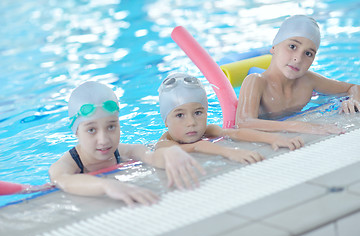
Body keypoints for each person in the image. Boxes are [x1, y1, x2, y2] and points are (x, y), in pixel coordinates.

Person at [49, 81, 205, 206]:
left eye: (111, 126)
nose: (103, 140)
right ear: (76, 131)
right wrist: (106, 186)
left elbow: (150, 156)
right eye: (91, 130)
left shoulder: (125, 151)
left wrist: (170, 152)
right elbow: (63, 180)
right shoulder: (67, 164)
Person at [236, 15, 360, 134]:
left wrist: (353, 99)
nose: (298, 59)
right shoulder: (256, 81)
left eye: (308, 54)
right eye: (292, 46)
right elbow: (243, 123)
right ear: (274, 47)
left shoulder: (308, 80)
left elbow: (353, 87)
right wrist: (297, 126)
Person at [156, 73, 304, 164]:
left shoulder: (208, 130)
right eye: (180, 115)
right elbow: (197, 146)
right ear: (165, 121)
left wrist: (273, 138)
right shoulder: (163, 145)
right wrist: (231, 152)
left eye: (198, 113)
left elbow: (235, 132)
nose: (191, 123)